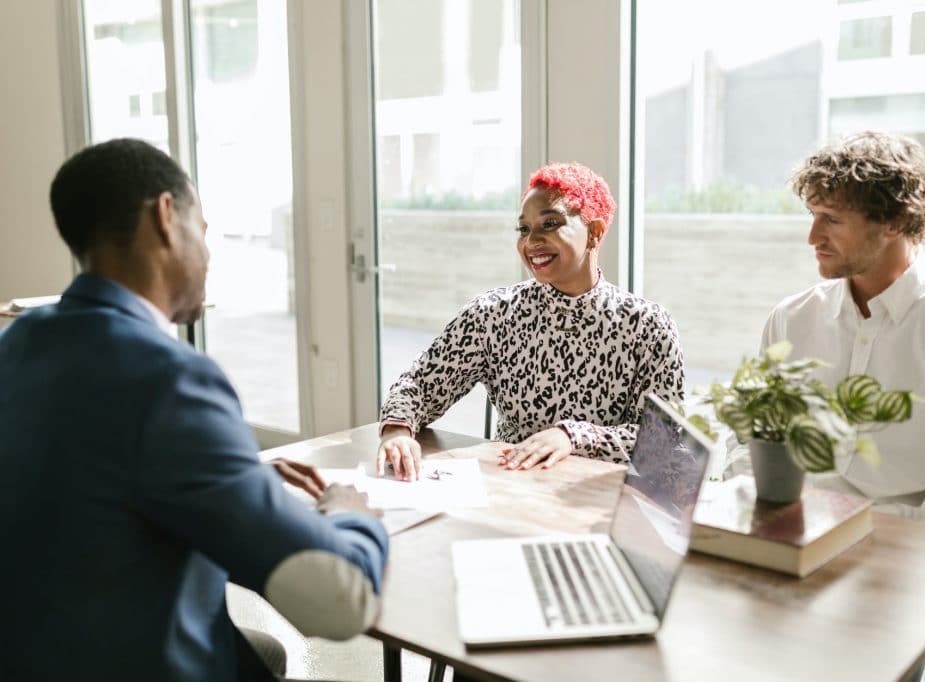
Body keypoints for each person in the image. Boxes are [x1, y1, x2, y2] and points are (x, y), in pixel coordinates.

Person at [0, 138, 388, 680]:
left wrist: (226, 476)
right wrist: (350, 513)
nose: (207, 255)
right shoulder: (169, 377)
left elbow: (88, 472)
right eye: (203, 230)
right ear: (165, 217)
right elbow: (339, 599)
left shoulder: (18, 342)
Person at [760, 130, 925, 531]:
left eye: (831, 219)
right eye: (812, 215)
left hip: (908, 571)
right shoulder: (791, 319)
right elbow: (751, 444)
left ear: (895, 222)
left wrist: (837, 526)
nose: (813, 237)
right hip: (786, 552)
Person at [377, 162, 686, 480]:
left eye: (550, 224)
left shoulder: (648, 326)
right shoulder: (492, 314)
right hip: (511, 494)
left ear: (594, 233)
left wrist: (572, 436)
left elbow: (663, 444)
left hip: (598, 506)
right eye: (523, 229)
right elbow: (419, 384)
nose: (531, 241)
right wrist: (397, 430)